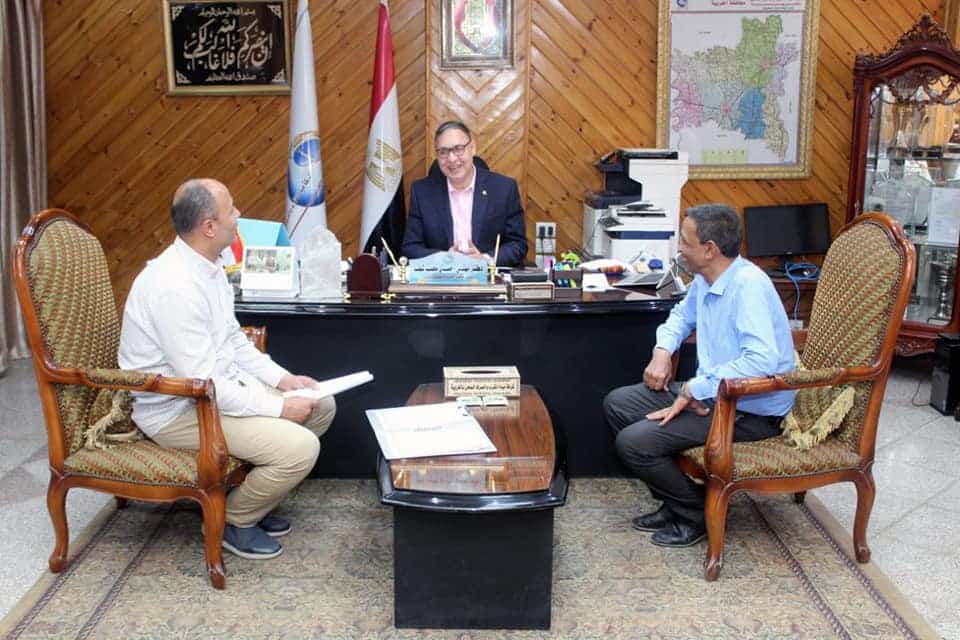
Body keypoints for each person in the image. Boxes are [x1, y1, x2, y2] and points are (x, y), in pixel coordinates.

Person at [119, 178, 336, 560]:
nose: (238, 216)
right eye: (231, 210)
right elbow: (204, 383)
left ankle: (249, 498)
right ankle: (232, 520)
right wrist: (279, 407)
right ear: (208, 226)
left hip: (215, 391)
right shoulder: (173, 286)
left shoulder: (209, 266)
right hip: (178, 410)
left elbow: (233, 341)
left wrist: (284, 380)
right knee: (301, 449)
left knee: (322, 404)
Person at [603, 203, 795, 548]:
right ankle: (676, 501)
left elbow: (762, 360)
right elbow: (680, 317)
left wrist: (694, 388)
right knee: (618, 404)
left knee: (634, 444)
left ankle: (695, 513)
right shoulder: (707, 280)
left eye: (684, 241)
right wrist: (662, 351)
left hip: (749, 411)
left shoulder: (748, 286)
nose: (679, 248)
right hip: (710, 394)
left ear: (710, 249)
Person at [401, 121, 528, 267]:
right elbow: (410, 248)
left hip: (488, 277)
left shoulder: (503, 189)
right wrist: (444, 258)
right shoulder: (422, 192)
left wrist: (485, 260)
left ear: (472, 148)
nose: (452, 159)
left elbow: (518, 244)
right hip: (442, 277)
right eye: (443, 152)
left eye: (458, 149)